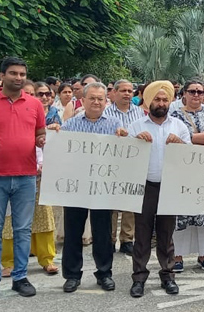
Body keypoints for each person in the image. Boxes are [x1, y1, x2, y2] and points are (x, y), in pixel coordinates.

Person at [0, 57, 47, 301]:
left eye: (22, 74)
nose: (18, 78)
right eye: (13, 73)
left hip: (26, 176)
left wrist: (42, 140)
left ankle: (20, 277)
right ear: (2, 76)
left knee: (23, 230)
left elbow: (40, 133)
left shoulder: (35, 104)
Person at [60, 82, 127, 293]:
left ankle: (104, 273)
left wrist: (125, 139)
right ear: (83, 100)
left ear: (106, 101)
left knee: (102, 233)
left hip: (102, 188)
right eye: (92, 98)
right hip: (76, 187)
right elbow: (59, 151)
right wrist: (54, 134)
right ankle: (72, 275)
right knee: (73, 233)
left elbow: (124, 155)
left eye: (101, 98)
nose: (97, 102)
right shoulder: (70, 125)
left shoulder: (115, 125)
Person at [127, 80, 190, 298]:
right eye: (157, 98)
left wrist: (180, 144)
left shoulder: (179, 127)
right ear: (148, 101)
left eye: (165, 99)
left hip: (169, 187)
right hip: (144, 186)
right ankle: (139, 278)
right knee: (142, 234)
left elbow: (190, 158)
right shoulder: (136, 126)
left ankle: (168, 275)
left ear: (170, 101)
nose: (161, 102)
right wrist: (135, 141)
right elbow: (124, 154)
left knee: (166, 234)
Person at [0, 82, 59, 278]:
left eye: (40, 94)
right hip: (12, 173)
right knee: (11, 221)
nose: (37, 98)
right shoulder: (10, 114)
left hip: (40, 176)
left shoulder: (46, 116)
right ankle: (9, 262)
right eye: (32, 94)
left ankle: (47, 259)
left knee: (43, 218)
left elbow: (48, 143)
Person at [169, 80, 204, 272]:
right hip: (183, 171)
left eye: (201, 92)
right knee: (181, 214)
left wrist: (188, 139)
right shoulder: (174, 114)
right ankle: (177, 256)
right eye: (192, 91)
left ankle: (203, 255)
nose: (197, 95)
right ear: (184, 93)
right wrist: (203, 140)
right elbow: (174, 138)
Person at [102, 79, 143, 256]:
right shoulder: (105, 112)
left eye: (130, 91)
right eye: (123, 90)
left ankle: (127, 239)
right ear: (114, 93)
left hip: (133, 163)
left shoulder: (141, 113)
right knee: (110, 204)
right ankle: (109, 240)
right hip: (111, 163)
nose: (127, 93)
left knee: (130, 202)